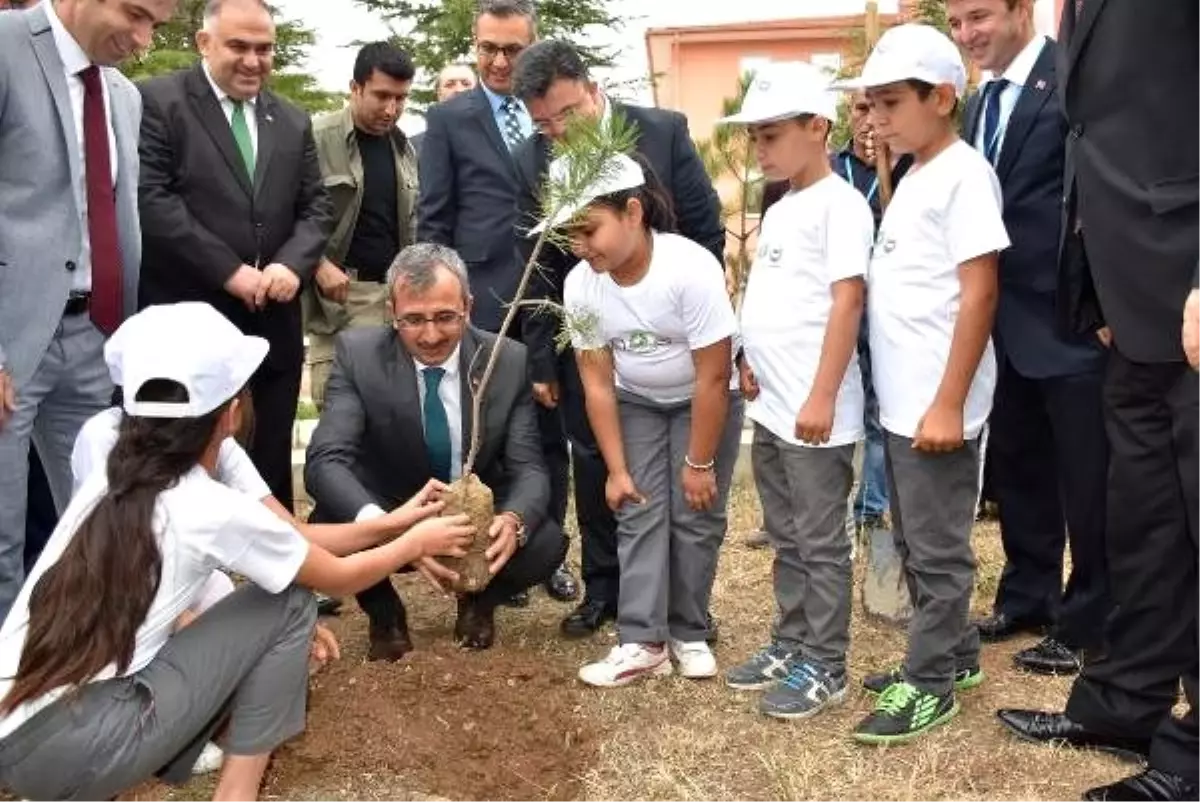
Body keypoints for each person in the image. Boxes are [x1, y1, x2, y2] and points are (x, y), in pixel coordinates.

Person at [0, 301, 474, 801]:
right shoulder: (206, 504)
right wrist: (413, 543)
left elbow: (288, 537)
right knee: (290, 605)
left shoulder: (113, 470)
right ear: (230, 413)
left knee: (240, 615)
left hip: (15, 729)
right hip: (78, 743)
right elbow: (335, 577)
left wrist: (401, 521)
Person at [997, 2, 1200, 799]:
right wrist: (1096, 292)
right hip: (1129, 295)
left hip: (1189, 288)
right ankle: (1129, 701)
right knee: (1146, 521)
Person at [512, 38, 725, 635]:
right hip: (587, 333)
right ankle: (605, 589)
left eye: (568, 114)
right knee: (596, 457)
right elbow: (537, 268)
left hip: (675, 329)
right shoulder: (532, 160)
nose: (559, 132)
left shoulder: (661, 131)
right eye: (544, 124)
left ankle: (679, 607)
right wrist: (543, 360)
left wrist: (689, 314)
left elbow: (706, 231)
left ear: (593, 90)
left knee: (677, 480)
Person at [834, 23, 1009, 743]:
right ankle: (954, 654)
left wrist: (946, 402)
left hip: (939, 408)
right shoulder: (913, 175)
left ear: (941, 97)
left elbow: (981, 293)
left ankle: (930, 682)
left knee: (938, 551)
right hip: (902, 406)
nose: (876, 120)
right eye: (869, 106)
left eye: (889, 103)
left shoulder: (965, 174)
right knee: (912, 538)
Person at [947, 0, 1110, 678]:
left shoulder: (1075, 75)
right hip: (999, 325)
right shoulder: (979, 103)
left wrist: (1103, 302)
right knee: (1019, 469)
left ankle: (1091, 621)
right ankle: (1028, 596)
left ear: (1022, 9)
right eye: (956, 23)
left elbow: (1100, 192)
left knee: (1088, 482)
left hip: (1068, 321)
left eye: (979, 16)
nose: (967, 35)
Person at [0, 0, 176, 624]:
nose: (144, 38)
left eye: (157, 24)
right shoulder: (6, 44)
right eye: (136, 15)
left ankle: (78, 677)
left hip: (94, 340)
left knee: (102, 527)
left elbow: (117, 223)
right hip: (11, 341)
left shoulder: (124, 97)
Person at [305, 244, 567, 660]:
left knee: (545, 541)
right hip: (393, 505)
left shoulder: (508, 360)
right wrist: (391, 528)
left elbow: (530, 467)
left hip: (473, 513)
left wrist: (512, 520)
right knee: (330, 520)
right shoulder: (358, 356)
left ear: (468, 305)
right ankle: (385, 613)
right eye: (413, 320)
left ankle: (479, 602)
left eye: (446, 317)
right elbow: (325, 461)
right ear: (392, 310)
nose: (430, 335)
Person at [539, 152, 741, 687]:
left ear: (632, 211)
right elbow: (598, 382)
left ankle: (689, 631)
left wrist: (698, 463)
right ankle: (641, 640)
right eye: (571, 235)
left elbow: (714, 377)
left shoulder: (691, 268)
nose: (581, 247)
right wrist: (617, 469)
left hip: (705, 398)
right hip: (637, 401)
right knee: (638, 508)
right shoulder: (582, 283)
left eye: (589, 230)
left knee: (696, 513)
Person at [715, 62, 874, 720]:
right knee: (785, 536)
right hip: (774, 406)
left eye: (772, 133)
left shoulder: (841, 206)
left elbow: (847, 305)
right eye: (755, 136)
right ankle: (792, 639)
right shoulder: (782, 207)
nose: (761, 147)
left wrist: (820, 395)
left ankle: (826, 663)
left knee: (819, 540)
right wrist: (747, 356)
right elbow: (771, 296)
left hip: (817, 414)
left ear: (818, 128)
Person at [137, 0, 332, 513]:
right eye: (238, 47)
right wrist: (229, 272)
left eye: (264, 48)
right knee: (177, 462)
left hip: (274, 323)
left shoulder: (291, 120)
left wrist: (292, 264)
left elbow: (316, 207)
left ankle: (278, 575)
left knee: (269, 458)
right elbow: (152, 201)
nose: (253, 60)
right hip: (188, 320)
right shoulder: (157, 104)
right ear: (205, 43)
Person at [305, 41, 418, 412]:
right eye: (381, 96)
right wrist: (318, 265)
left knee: (394, 422)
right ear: (355, 88)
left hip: (395, 296)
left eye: (400, 98)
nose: (392, 109)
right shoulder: (315, 137)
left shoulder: (404, 148)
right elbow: (277, 214)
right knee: (341, 421)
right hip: (340, 300)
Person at [417, 0, 536, 334]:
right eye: (488, 49)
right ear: (475, 43)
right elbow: (433, 218)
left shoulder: (551, 108)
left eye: (512, 50)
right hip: (481, 294)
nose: (499, 62)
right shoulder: (447, 119)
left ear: (533, 47)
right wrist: (440, 300)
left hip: (555, 290)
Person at [411, 62, 478, 157]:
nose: (459, 90)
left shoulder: (497, 142)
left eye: (466, 84)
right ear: (439, 93)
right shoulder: (413, 148)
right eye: (450, 85)